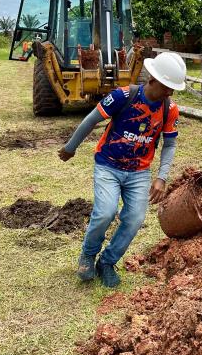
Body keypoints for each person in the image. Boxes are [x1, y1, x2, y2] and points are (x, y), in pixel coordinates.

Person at [58, 51, 186, 288]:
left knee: (135, 219)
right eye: (167, 87)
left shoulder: (170, 109)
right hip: (108, 165)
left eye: (173, 89)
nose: (170, 92)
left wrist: (161, 177)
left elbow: (170, 144)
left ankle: (107, 262)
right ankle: (88, 255)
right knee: (105, 212)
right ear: (153, 79)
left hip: (139, 173)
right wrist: (71, 147)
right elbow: (91, 120)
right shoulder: (123, 96)